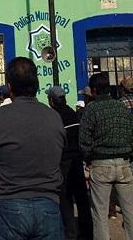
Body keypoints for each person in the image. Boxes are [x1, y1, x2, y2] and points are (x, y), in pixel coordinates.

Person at [0, 57, 65, 240]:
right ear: (37, 84)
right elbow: (60, 150)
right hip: (48, 202)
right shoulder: (54, 117)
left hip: (11, 201)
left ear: (9, 87)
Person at [79, 72, 133, 240]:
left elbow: (83, 140)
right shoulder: (121, 107)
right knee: (130, 211)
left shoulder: (91, 109)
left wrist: (88, 157)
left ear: (94, 91)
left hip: (101, 162)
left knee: (100, 213)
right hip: (124, 162)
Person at [46, 85, 93, 240]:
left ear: (52, 100)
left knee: (65, 198)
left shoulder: (54, 117)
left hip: (64, 161)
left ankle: (69, 232)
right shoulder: (73, 114)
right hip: (77, 160)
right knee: (81, 196)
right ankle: (87, 230)